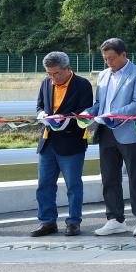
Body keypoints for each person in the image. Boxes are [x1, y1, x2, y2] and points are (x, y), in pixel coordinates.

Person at [86, 38, 136, 236]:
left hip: (129, 131)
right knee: (109, 177)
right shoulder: (103, 75)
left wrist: (113, 114)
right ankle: (115, 219)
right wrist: (88, 113)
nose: (109, 62)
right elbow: (99, 103)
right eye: (105, 59)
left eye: (112, 58)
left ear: (124, 54)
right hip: (105, 131)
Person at [31, 51, 93, 237]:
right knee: (44, 185)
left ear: (68, 69)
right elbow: (40, 105)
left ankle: (73, 222)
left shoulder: (82, 84)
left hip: (71, 141)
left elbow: (85, 112)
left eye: (56, 73)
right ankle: (47, 222)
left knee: (73, 185)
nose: (53, 77)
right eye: (49, 73)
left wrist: (64, 118)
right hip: (48, 141)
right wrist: (42, 114)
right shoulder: (45, 82)